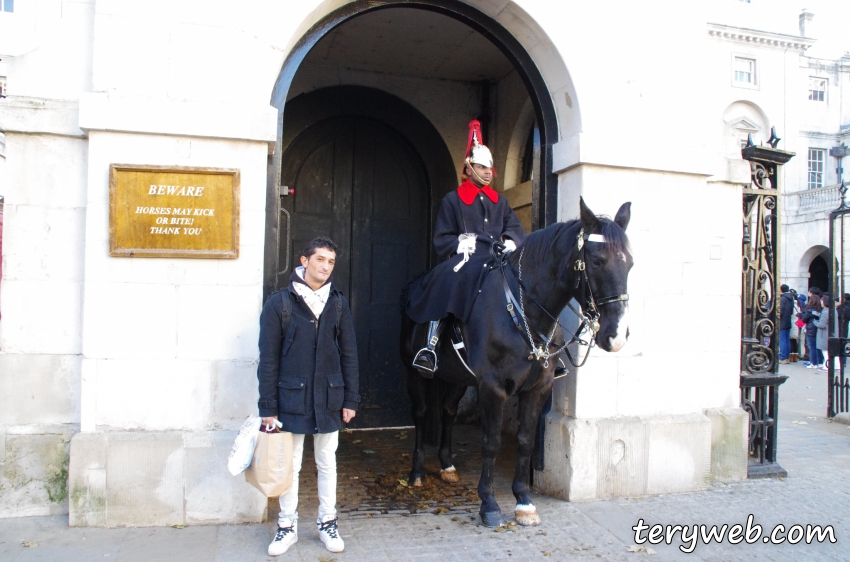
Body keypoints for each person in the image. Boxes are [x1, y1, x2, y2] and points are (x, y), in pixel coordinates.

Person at [257, 238, 360, 556]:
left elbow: (350, 355)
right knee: (289, 465)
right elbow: (268, 357)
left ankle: (328, 522)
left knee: (327, 462)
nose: (326, 266)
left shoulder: (338, 302)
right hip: (291, 399)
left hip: (329, 396)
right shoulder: (281, 303)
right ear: (305, 260)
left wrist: (351, 399)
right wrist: (268, 406)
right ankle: (286, 526)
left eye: (331, 261)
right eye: (320, 260)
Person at [407, 120, 525, 374]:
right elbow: (443, 237)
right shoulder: (452, 200)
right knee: (450, 278)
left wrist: (509, 241)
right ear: (469, 168)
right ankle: (431, 344)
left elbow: (513, 227)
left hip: (496, 257)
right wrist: (460, 242)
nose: (486, 172)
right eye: (481, 167)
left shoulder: (499, 201)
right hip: (467, 257)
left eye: (489, 168)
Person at [798, 287, 823, 369]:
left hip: (811, 329)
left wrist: (800, 315)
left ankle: (813, 362)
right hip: (817, 329)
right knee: (818, 346)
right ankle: (820, 362)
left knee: (811, 346)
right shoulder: (820, 309)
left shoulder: (810, 310)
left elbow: (805, 319)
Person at [813, 294, 832, 372]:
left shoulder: (825, 312)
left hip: (824, 333)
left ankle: (827, 366)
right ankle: (828, 365)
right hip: (828, 332)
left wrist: (815, 322)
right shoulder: (831, 310)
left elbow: (822, 324)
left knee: (825, 351)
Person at [778, 284, 794, 364]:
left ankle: (783, 357)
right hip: (788, 320)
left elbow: (780, 311)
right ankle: (787, 357)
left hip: (782, 321)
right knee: (787, 339)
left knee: (782, 340)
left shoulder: (782, 298)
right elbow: (791, 311)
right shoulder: (791, 298)